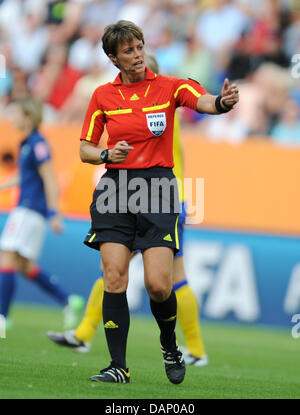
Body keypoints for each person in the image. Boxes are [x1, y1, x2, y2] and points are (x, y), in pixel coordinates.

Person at [78, 20, 239, 385]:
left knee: (158, 285)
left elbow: (203, 101)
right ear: (112, 58)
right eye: (128, 51)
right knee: (114, 275)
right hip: (115, 189)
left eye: (139, 47)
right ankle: (118, 365)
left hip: (158, 190)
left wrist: (223, 103)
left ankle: (170, 346)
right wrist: (107, 153)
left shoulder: (169, 86)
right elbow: (85, 149)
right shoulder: (103, 96)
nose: (136, 56)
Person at [47, 53, 208, 367]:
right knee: (115, 272)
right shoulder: (148, 106)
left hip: (162, 198)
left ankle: (197, 349)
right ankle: (84, 334)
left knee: (169, 279)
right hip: (135, 195)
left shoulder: (163, 104)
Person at [0, 97, 84, 330]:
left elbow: (49, 178)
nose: (12, 118)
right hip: (29, 210)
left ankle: (2, 317)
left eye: (16, 114)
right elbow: (24, 176)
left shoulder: (38, 143)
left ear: (28, 117)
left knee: (5, 257)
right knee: (25, 266)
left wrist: (54, 213)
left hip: (29, 209)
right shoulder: (26, 143)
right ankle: (68, 300)